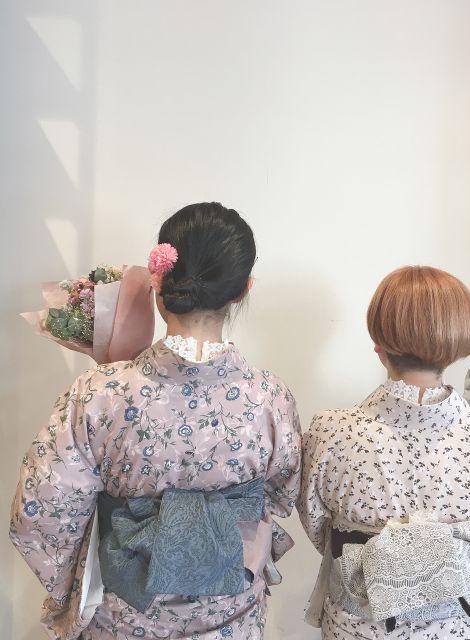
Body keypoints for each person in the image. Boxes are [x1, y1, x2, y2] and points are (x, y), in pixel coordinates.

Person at [10, 202, 302, 640]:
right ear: (243, 289)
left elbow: (41, 512)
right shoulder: (270, 398)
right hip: (232, 615)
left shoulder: (100, 393)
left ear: (158, 278)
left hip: (123, 619)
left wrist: (83, 579)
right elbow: (279, 496)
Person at [297, 266, 470, 640]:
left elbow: (318, 527)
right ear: (455, 347)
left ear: (379, 345)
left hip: (358, 629)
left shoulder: (332, 432)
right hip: (462, 629)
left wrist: (381, 565)